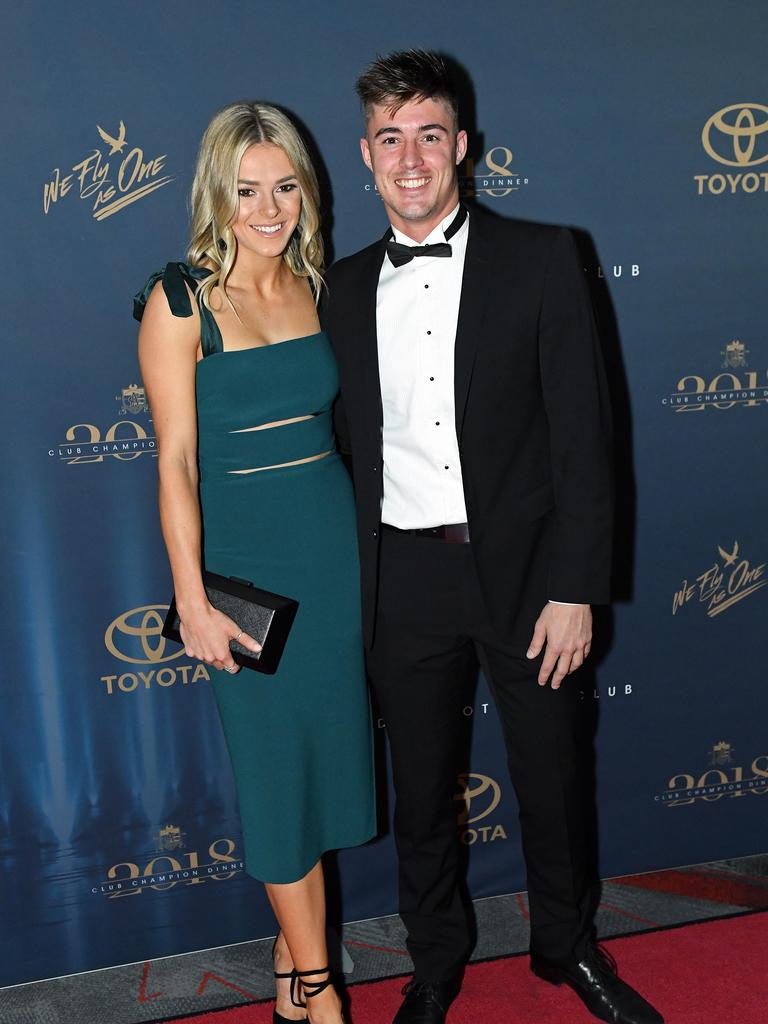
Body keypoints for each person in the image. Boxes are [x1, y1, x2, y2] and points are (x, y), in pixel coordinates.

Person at [322, 51, 663, 1024]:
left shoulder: (546, 256)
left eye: (430, 134)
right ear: (368, 156)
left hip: (527, 579)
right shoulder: (339, 290)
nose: (412, 157)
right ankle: (436, 960)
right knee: (423, 795)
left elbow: (588, 438)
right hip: (401, 579)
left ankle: (567, 946)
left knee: (554, 777)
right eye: (391, 138)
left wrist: (576, 585)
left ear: (463, 146)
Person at [135, 102, 375, 1024]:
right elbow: (175, 462)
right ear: (214, 193)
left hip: (334, 555)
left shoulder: (320, 283)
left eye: (284, 187)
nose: (267, 208)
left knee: (328, 778)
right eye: (245, 190)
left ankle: (288, 976)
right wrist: (192, 601)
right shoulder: (180, 299)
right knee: (277, 783)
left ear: (306, 191)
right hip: (247, 581)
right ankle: (322, 997)